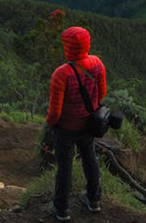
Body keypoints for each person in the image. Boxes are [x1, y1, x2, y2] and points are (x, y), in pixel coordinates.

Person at [45, 25, 106, 221]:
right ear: (87, 43)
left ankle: (61, 209)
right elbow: (102, 93)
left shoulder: (61, 74)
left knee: (65, 166)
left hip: (66, 129)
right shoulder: (97, 63)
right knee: (90, 159)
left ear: (67, 47)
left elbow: (55, 111)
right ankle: (94, 199)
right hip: (89, 124)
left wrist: (51, 124)